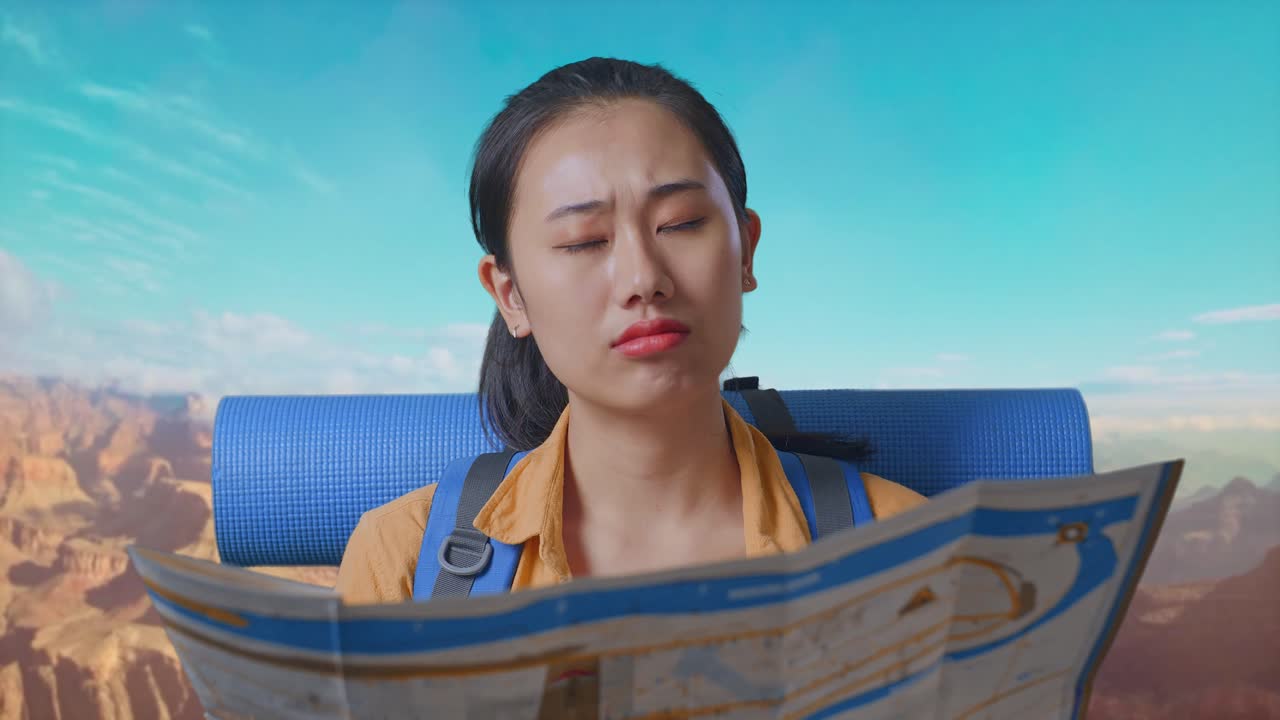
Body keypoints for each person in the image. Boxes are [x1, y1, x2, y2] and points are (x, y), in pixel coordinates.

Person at [336, 57, 926, 605]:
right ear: (510, 295)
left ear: (745, 250)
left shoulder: (912, 552)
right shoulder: (405, 562)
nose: (643, 278)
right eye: (584, 241)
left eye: (682, 223)